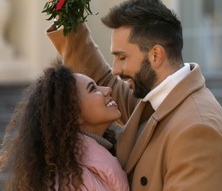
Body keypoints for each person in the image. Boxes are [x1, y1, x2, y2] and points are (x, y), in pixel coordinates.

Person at [43, 0, 222, 190]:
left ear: (156, 55)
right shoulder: (157, 99)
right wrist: (66, 8)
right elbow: (101, 80)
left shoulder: (198, 129)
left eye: (122, 57)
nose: (115, 69)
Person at [0, 60, 130, 191]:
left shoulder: (90, 166)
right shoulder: (67, 183)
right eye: (93, 89)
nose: (108, 89)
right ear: (74, 114)